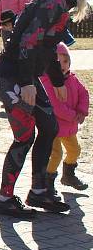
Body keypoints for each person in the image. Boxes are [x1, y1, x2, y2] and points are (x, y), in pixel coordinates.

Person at [0, 0, 93, 218]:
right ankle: (4, 199)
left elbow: (48, 46)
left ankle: (39, 190)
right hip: (11, 75)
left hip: (25, 74)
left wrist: (58, 83)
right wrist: (26, 83)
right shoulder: (54, 2)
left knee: (49, 127)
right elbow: (29, 41)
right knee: (24, 136)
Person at [40, 42, 89, 191]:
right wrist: (74, 116)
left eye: (65, 61)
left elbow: (84, 93)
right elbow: (57, 107)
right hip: (54, 127)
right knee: (56, 154)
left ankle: (68, 175)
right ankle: (46, 182)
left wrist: (81, 110)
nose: (62, 65)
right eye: (58, 62)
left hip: (69, 127)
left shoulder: (72, 79)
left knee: (75, 150)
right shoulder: (47, 81)